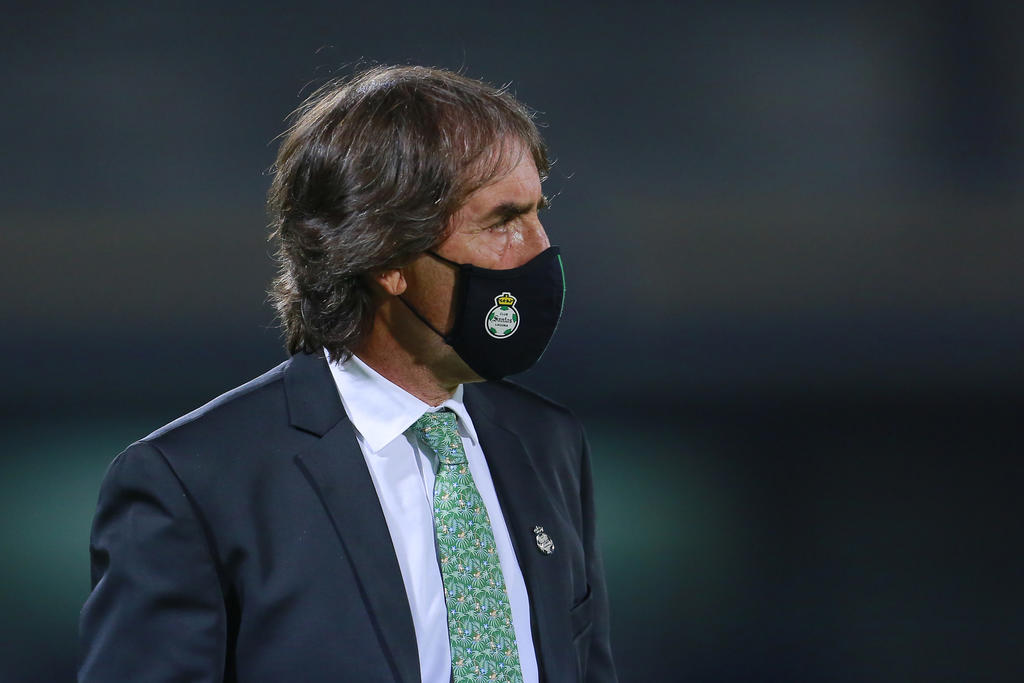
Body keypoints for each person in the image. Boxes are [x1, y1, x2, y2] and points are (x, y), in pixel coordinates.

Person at [78, 65, 616, 683]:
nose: (539, 249)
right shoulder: (195, 484)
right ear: (386, 255)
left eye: (538, 213)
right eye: (502, 221)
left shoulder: (547, 444)